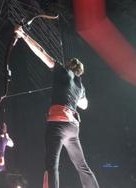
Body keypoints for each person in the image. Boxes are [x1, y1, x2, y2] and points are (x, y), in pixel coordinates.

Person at [14, 25, 99, 188]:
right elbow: (85, 105)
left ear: (69, 65)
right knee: (82, 166)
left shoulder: (62, 71)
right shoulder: (80, 86)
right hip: (72, 128)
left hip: (57, 124)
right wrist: (75, 94)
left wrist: (23, 35)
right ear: (79, 72)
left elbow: (41, 52)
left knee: (52, 167)